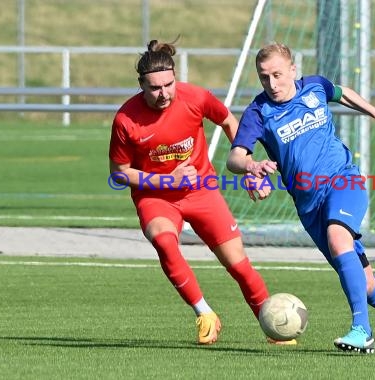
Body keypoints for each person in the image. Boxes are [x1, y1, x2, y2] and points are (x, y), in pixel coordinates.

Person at [226, 42, 375, 354]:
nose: (272, 83)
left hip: (344, 179)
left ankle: (363, 331)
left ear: (293, 70)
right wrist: (252, 166)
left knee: (338, 237)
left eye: (278, 74)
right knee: (367, 285)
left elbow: (341, 92)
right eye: (264, 77)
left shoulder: (314, 87)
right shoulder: (258, 112)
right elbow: (234, 157)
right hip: (309, 205)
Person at [108, 39, 292, 345]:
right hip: (156, 197)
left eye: (169, 84)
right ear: (141, 84)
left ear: (175, 77)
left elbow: (229, 121)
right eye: (155, 88)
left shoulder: (195, 97)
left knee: (238, 264)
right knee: (164, 242)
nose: (164, 93)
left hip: (202, 191)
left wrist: (248, 164)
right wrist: (167, 181)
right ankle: (205, 313)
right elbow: (120, 172)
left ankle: (272, 324)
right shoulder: (126, 119)